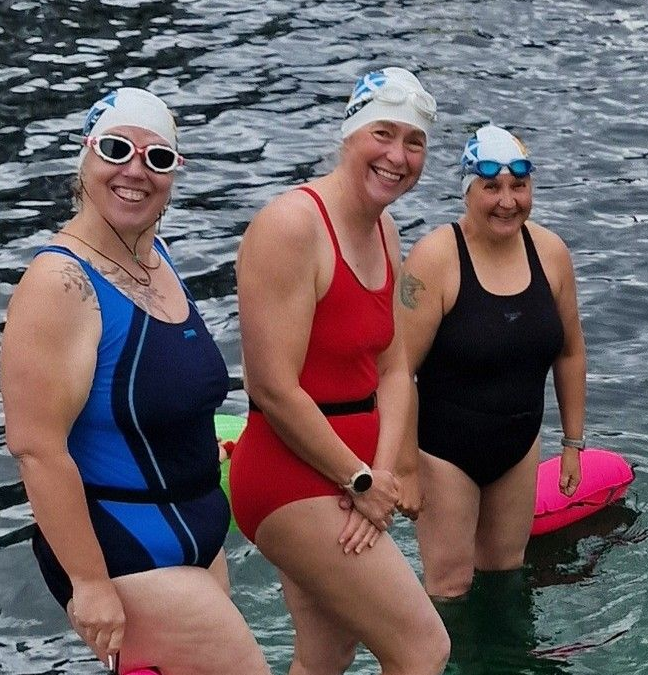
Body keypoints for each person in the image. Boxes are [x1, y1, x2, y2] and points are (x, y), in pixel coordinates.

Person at [0, 88, 270, 674]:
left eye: (158, 158)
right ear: (86, 156)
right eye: (117, 150)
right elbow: (36, 448)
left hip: (194, 532)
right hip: (123, 548)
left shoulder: (156, 257)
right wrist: (90, 583)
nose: (135, 172)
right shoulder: (60, 283)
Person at [228, 67, 448, 674]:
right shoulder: (292, 226)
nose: (398, 156)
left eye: (415, 142)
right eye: (383, 134)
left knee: (326, 655)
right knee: (424, 649)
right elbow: (271, 387)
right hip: (290, 472)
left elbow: (394, 368)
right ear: (348, 134)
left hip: (358, 471)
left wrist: (383, 470)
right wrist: (358, 479)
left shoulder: (385, 230)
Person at [398, 123, 587, 599]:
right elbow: (396, 371)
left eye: (518, 186)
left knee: (506, 574)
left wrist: (572, 443)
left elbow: (570, 352)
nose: (507, 201)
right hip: (443, 452)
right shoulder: (433, 259)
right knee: (450, 586)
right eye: (491, 187)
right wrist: (404, 467)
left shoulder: (551, 254)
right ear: (467, 191)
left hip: (518, 447)